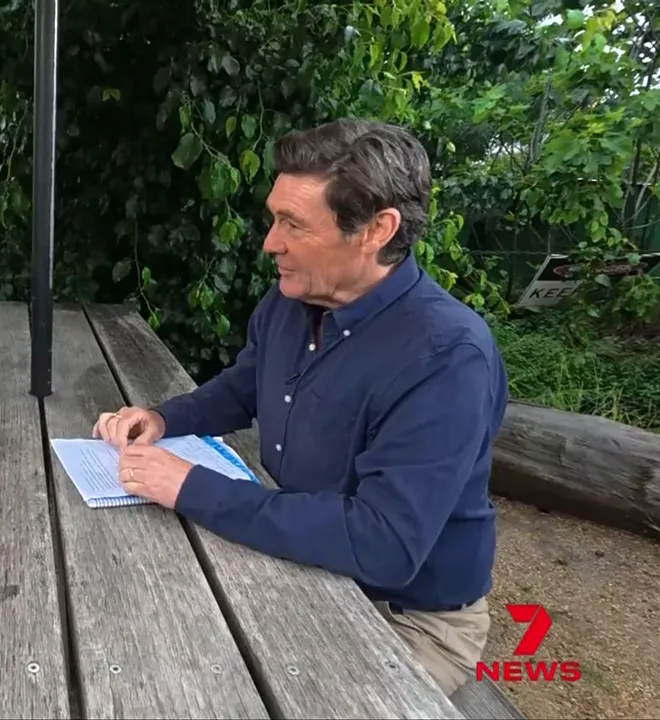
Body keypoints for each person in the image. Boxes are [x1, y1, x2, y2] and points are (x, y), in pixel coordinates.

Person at [94, 118, 508, 696]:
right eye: (274, 217)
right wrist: (166, 418)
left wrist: (190, 486)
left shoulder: (447, 356)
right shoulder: (293, 297)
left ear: (376, 230)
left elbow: (382, 544)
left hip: (403, 617)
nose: (270, 242)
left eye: (293, 223)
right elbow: (246, 385)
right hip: (297, 562)